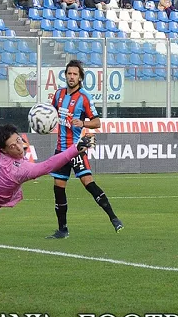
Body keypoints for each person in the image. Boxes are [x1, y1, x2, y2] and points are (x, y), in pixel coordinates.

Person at [46, 60, 123, 238]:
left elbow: (97, 122)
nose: (71, 77)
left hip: (76, 149)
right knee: (58, 188)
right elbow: (50, 115)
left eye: (75, 74)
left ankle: (114, 218)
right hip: (61, 151)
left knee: (88, 183)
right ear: (65, 75)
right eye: (69, 73)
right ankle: (62, 230)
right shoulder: (58, 94)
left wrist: (83, 123)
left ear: (80, 77)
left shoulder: (84, 97)